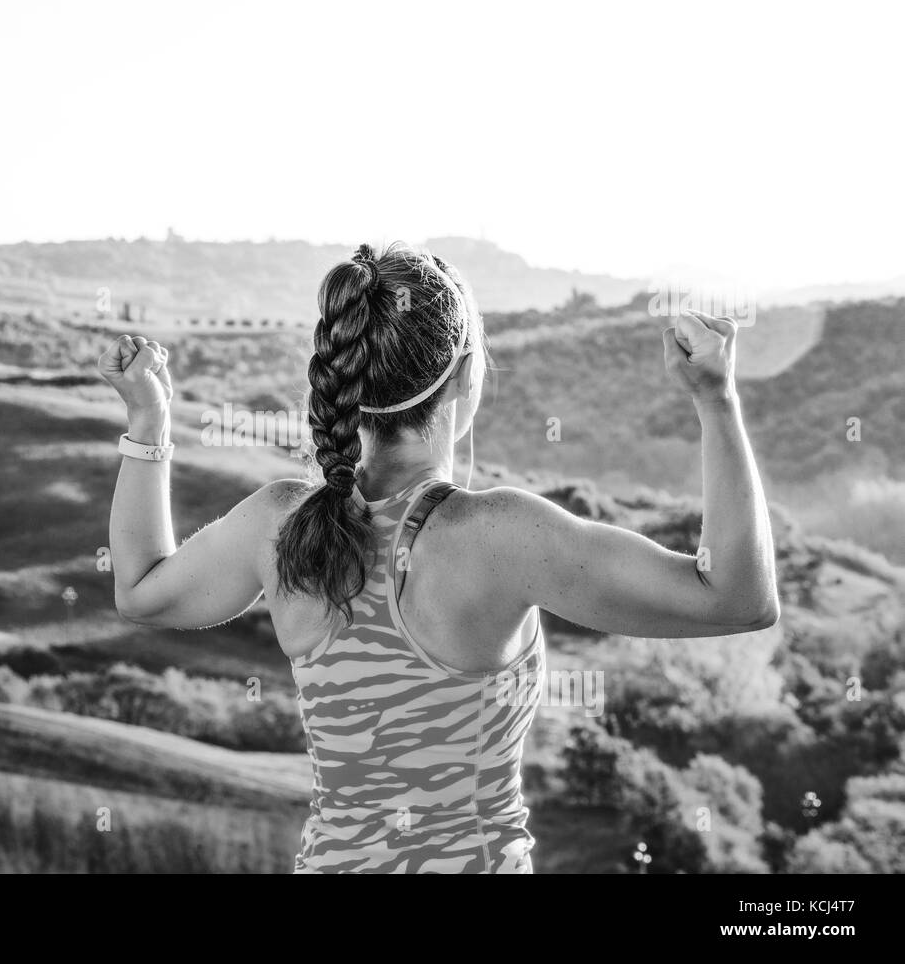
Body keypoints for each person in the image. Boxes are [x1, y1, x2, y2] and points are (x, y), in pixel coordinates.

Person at [98, 242, 778, 873]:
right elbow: (737, 599)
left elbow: (140, 588)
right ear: (463, 376)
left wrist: (149, 425)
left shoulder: (280, 523)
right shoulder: (498, 535)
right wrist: (717, 403)